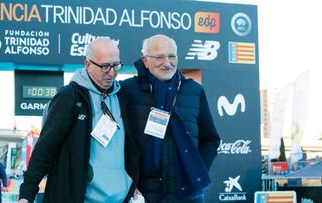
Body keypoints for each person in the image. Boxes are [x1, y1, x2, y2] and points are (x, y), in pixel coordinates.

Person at [19, 37, 140, 203]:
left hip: (118, 199)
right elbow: (46, 146)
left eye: (116, 65)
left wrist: (135, 182)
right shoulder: (69, 97)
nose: (111, 72)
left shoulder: (123, 97)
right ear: (88, 64)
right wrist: (27, 193)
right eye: (105, 66)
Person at [121, 34, 221, 203]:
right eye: (159, 57)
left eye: (172, 56)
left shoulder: (194, 90)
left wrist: (197, 168)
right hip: (144, 193)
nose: (167, 63)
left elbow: (211, 139)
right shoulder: (127, 90)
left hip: (188, 192)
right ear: (145, 60)